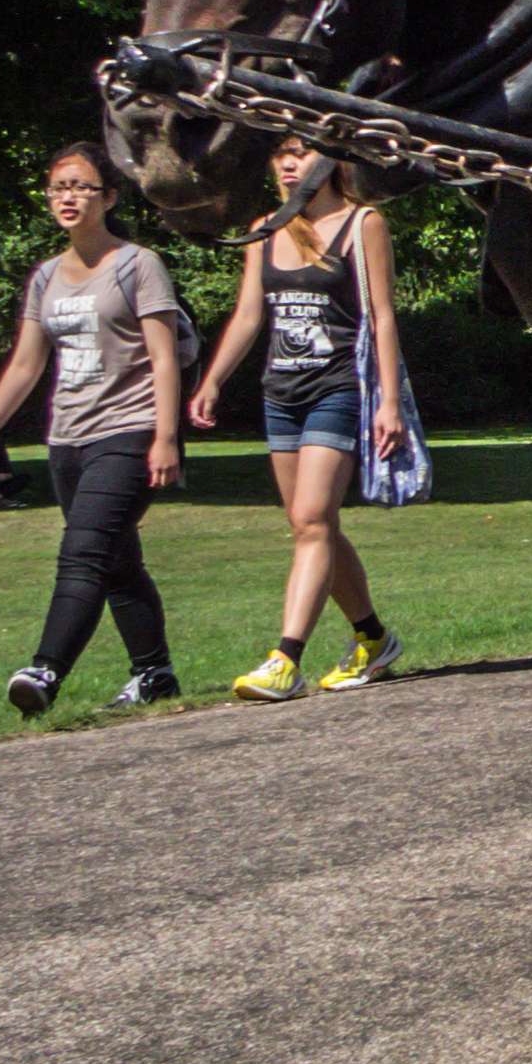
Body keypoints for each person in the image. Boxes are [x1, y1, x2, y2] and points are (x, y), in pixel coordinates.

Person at [191, 137, 406, 700]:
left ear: (331, 160)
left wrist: (386, 401)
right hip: (279, 394)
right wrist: (213, 378)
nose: (288, 164)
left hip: (337, 389)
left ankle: (285, 660)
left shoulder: (364, 224)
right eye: (280, 153)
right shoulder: (266, 228)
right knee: (313, 527)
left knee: (312, 520)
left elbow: (381, 317)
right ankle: (375, 640)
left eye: (301, 151)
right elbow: (247, 314)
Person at [0, 144, 188, 717]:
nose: (67, 198)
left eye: (80, 186)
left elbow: (164, 357)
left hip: (130, 431)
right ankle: (155, 674)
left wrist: (166, 436)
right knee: (117, 560)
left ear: (111, 196)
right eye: (57, 188)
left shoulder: (136, 265)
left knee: (84, 554)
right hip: (67, 440)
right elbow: (26, 365)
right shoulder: (46, 275)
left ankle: (45, 670)